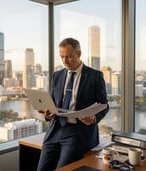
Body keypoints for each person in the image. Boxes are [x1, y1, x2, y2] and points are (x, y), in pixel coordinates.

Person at [37, 37, 109, 171]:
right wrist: (48, 112)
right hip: (55, 129)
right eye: (62, 57)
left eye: (68, 57)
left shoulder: (95, 76)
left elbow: (105, 105)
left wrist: (93, 118)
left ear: (79, 54)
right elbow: (53, 103)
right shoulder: (57, 76)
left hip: (77, 133)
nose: (64, 61)